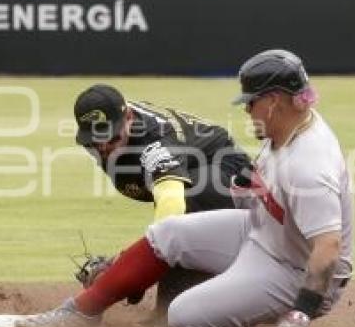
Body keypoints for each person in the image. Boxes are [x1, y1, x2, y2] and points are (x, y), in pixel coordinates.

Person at [18, 49, 353, 327]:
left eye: (250, 102)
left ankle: (250, 314)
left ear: (274, 101)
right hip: (262, 232)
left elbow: (328, 247)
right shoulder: (285, 128)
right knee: (168, 234)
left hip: (291, 269)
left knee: (181, 316)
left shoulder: (310, 163)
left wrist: (302, 312)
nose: (246, 110)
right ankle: (81, 312)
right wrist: (128, 267)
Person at [72, 84, 252, 312]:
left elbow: (172, 206)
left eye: (111, 138)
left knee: (188, 206)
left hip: (233, 177)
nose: (105, 147)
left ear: (128, 117)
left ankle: (169, 309)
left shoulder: (155, 142)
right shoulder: (112, 131)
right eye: (95, 142)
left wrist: (133, 267)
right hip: (196, 174)